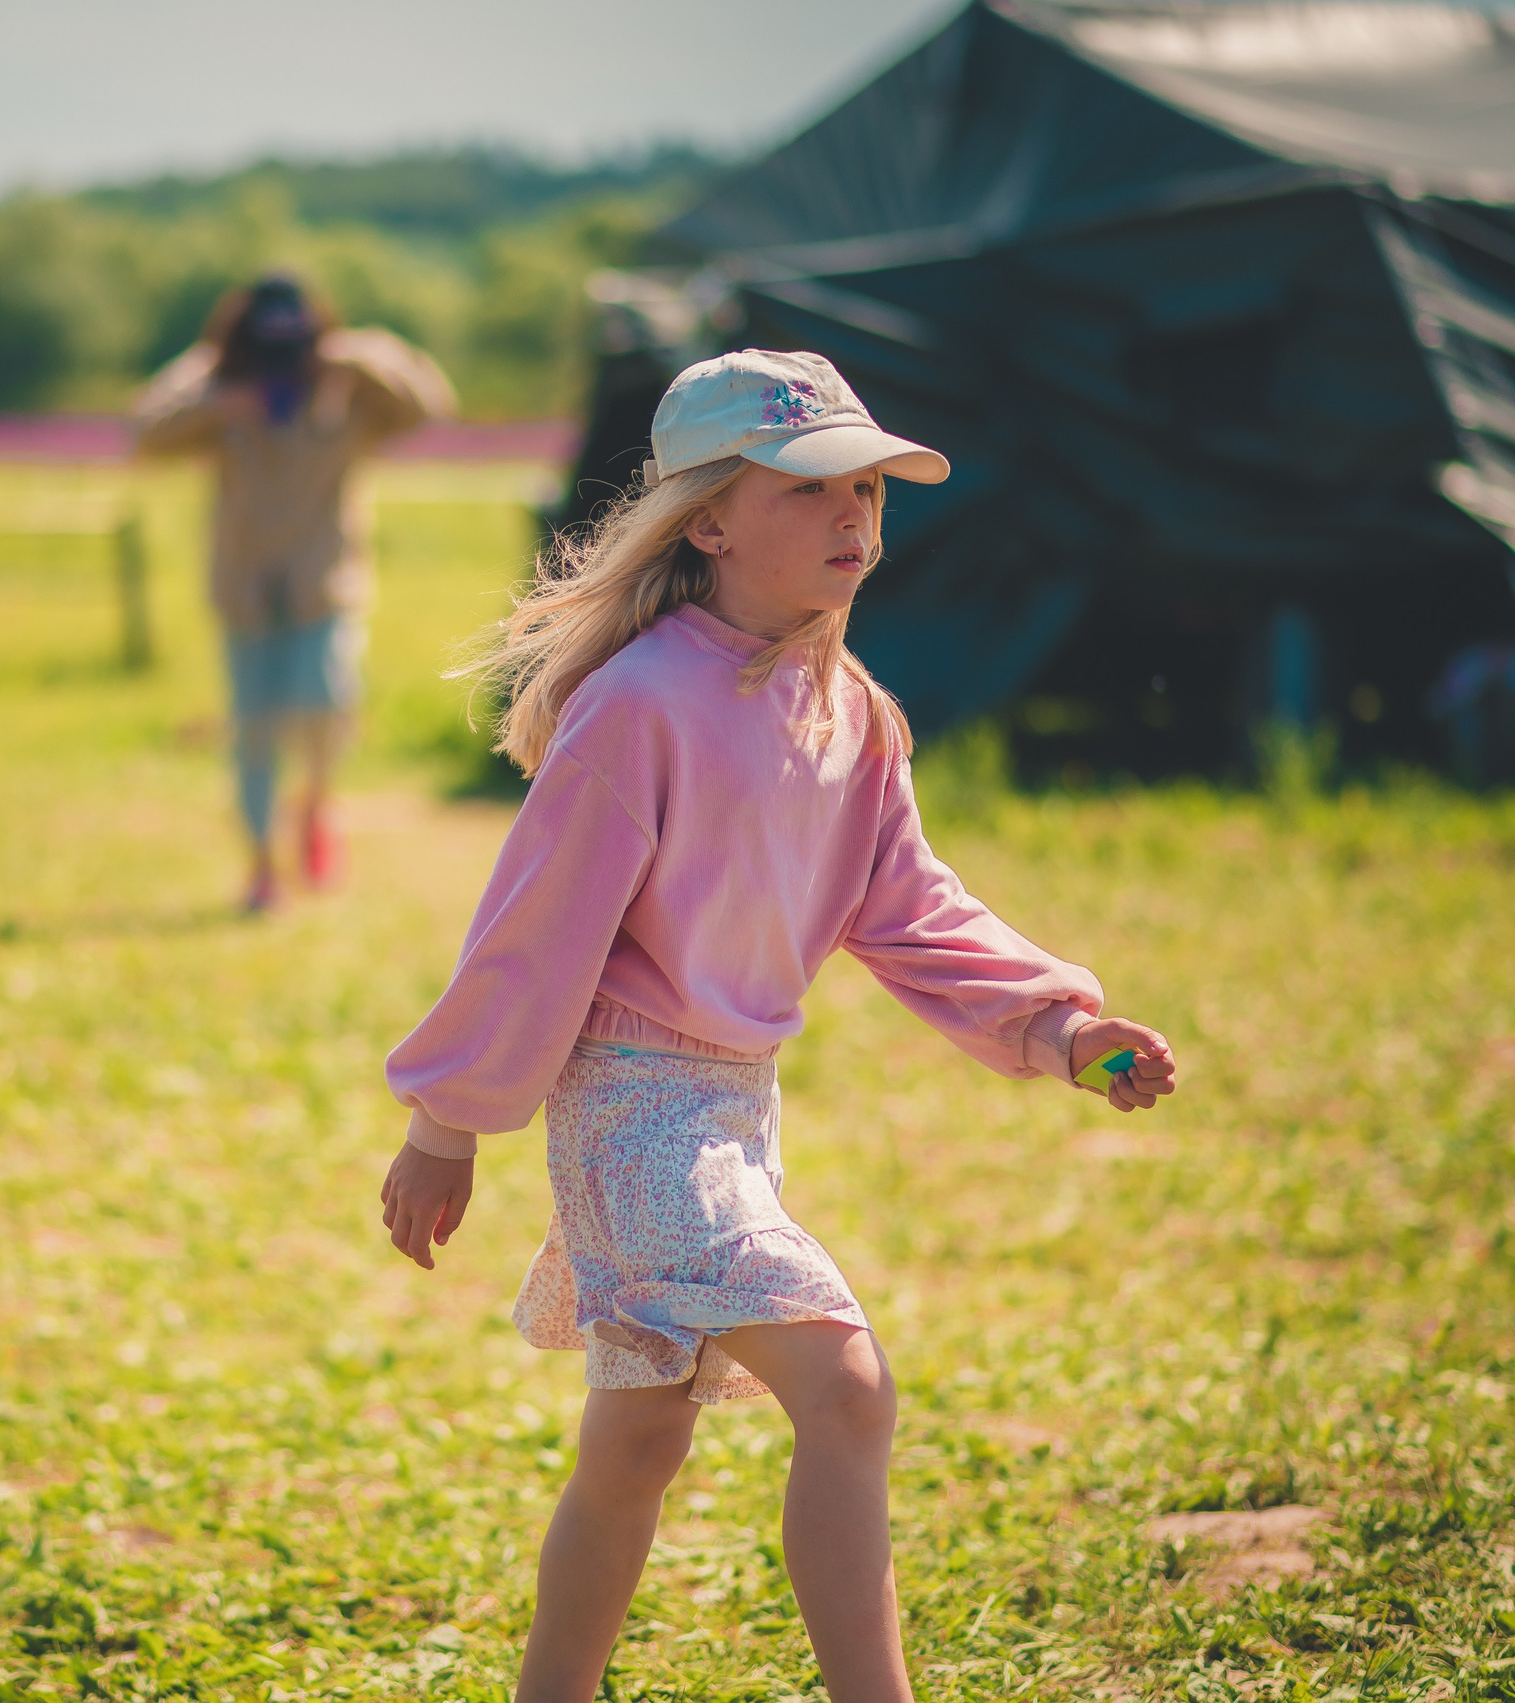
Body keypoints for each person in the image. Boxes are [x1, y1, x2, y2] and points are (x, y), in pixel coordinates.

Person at [375, 350, 1180, 1703]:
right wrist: (443, 1125)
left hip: (737, 1111)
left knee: (634, 1450)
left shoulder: (855, 713)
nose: (854, 515)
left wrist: (1060, 1027)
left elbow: (911, 905)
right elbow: (535, 931)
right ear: (710, 520)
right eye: (811, 487)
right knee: (849, 1386)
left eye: (869, 486)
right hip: (633, 1109)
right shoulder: (637, 703)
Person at [133, 275, 456, 912]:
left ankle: (315, 801)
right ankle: (260, 866)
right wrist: (220, 393)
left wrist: (352, 352)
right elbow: (144, 431)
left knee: (327, 697)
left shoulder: (349, 392)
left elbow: (431, 404)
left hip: (323, 582)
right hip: (246, 587)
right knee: (253, 731)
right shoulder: (222, 390)